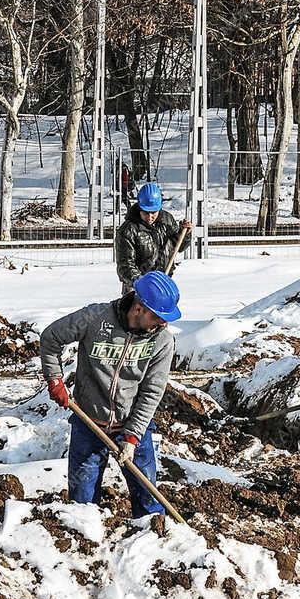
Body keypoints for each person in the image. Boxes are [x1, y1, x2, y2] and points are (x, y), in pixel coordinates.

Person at [39, 270, 182, 519]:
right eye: (158, 317)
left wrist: (132, 436)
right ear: (138, 308)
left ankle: (155, 543)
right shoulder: (95, 318)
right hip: (89, 422)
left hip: (132, 423)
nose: (163, 323)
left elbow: (152, 391)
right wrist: (55, 380)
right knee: (81, 503)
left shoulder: (161, 341)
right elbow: (51, 338)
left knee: (148, 499)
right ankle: (85, 546)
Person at [115, 181, 192, 295]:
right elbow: (125, 265)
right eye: (146, 213)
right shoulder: (129, 230)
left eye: (153, 212)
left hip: (164, 282)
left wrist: (184, 234)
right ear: (140, 208)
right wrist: (141, 283)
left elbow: (178, 247)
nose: (150, 217)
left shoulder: (167, 220)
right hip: (137, 288)